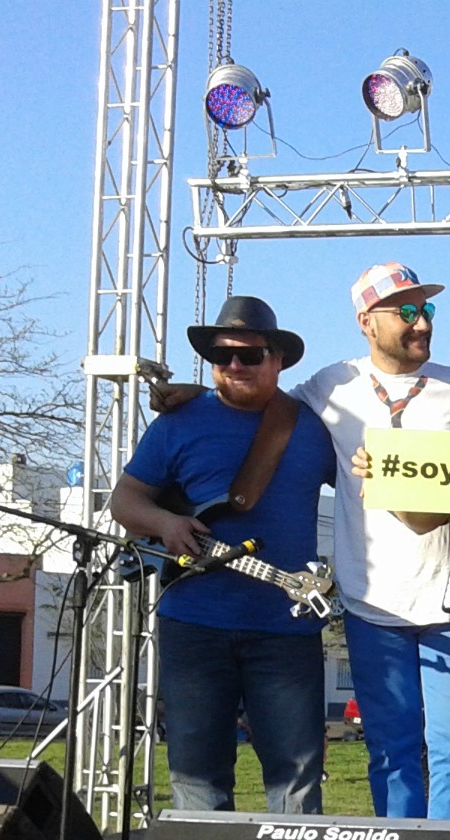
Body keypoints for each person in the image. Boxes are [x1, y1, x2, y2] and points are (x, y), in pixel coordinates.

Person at [291, 262, 450, 821]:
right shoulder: (330, 385)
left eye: (427, 309)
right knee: (391, 752)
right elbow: (265, 410)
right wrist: (195, 398)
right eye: (407, 311)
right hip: (372, 606)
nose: (423, 323)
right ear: (366, 321)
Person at [110, 296, 336, 812]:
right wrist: (166, 523)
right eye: (221, 355)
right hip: (193, 624)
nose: (234, 365)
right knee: (196, 775)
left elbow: (366, 488)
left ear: (277, 360)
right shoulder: (177, 423)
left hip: (286, 627)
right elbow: (125, 501)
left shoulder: (312, 428)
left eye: (249, 355)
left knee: (297, 778)